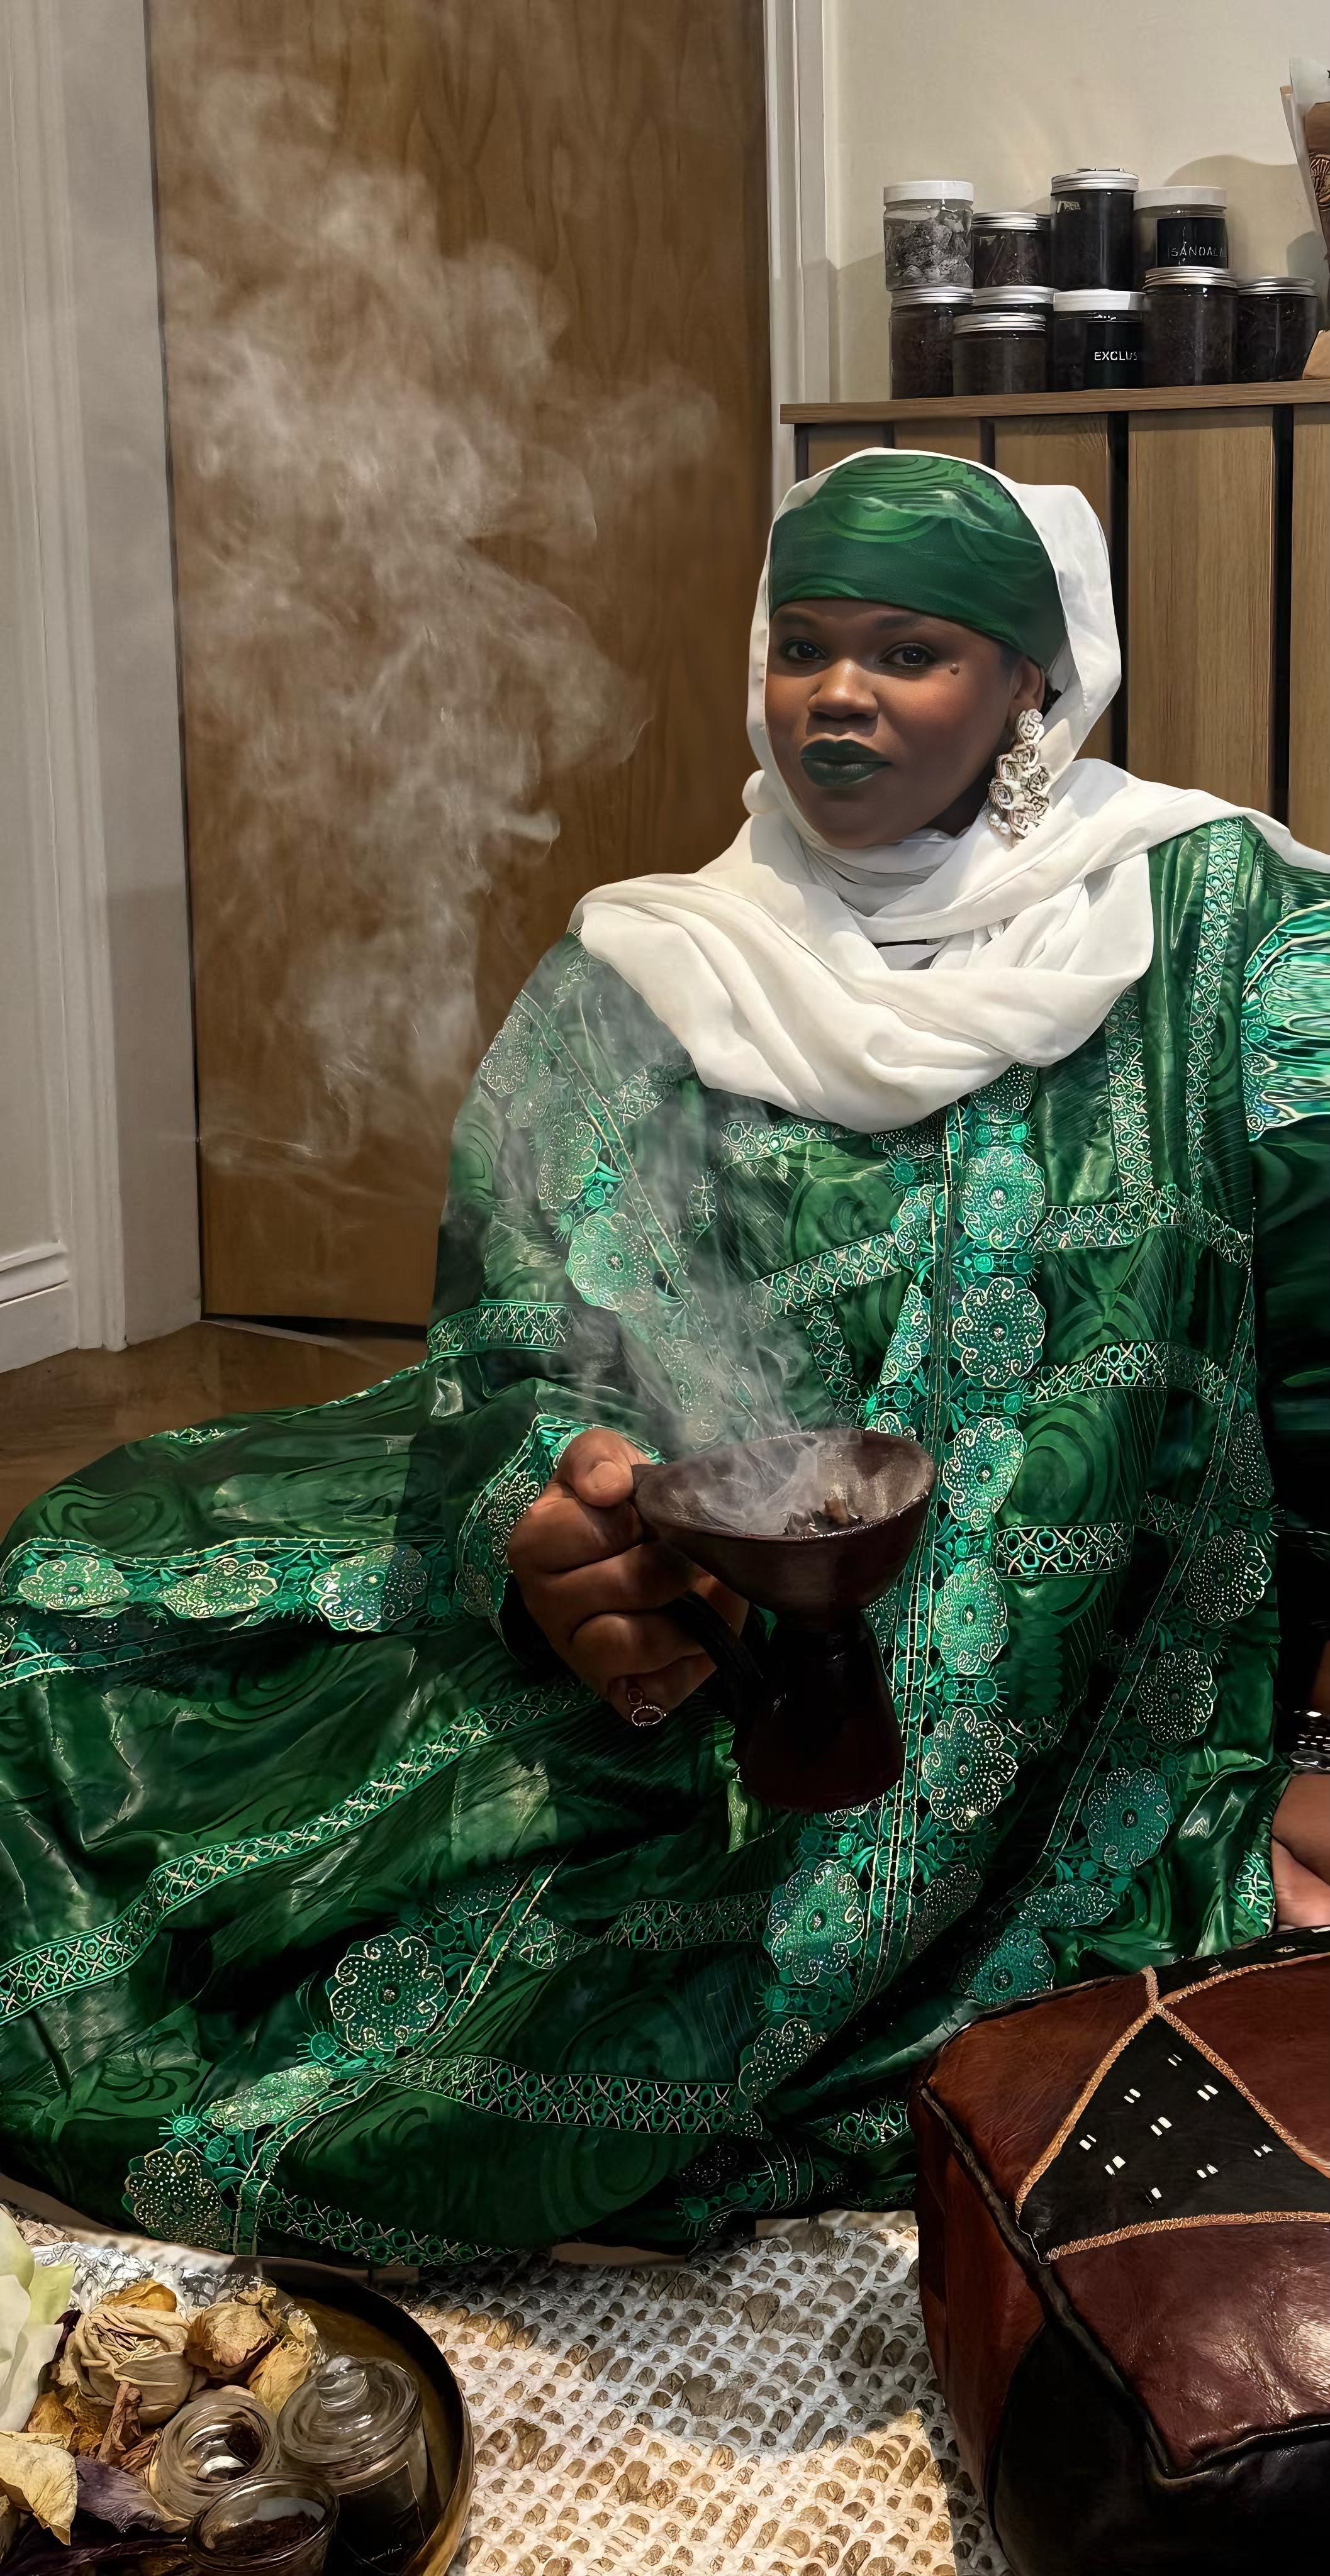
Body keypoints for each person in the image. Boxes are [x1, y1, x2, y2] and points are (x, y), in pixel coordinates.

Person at [1, 450, 1327, 2271]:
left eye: (909, 650)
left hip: (1068, 1690)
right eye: (803, 646)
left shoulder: (1232, 947)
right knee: (83, 1596)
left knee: (541, 2053)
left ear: (1034, 683)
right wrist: (555, 1519)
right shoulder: (647, 962)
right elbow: (514, 1340)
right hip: (692, 1649)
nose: (836, 694)